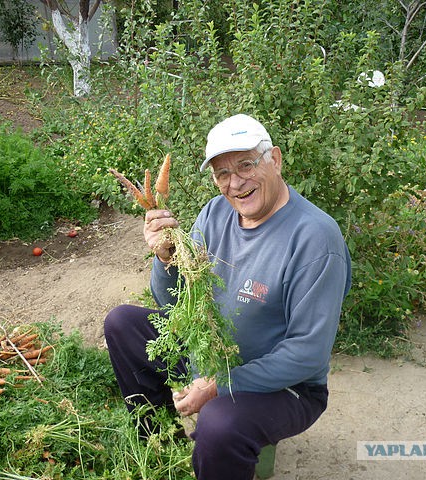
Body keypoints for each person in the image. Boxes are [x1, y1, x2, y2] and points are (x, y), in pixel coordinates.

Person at [104, 113, 352, 480]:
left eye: (246, 165)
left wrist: (219, 386)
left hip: (287, 387)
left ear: (276, 160)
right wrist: (166, 257)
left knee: (220, 423)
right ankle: (160, 448)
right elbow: (174, 306)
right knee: (123, 323)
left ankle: (216, 451)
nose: (235, 183)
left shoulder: (315, 238)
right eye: (222, 173)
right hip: (211, 356)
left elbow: (306, 354)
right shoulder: (216, 213)